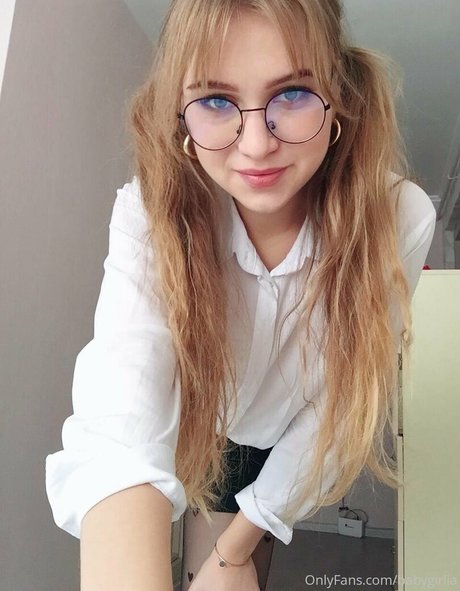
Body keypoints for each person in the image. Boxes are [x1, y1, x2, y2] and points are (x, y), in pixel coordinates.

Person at [45, 1, 437, 590]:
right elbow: (122, 410)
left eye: (293, 93)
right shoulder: (151, 212)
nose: (255, 145)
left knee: (237, 568)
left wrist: (232, 553)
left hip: (291, 440)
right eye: (214, 101)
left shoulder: (398, 217)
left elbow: (339, 402)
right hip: (197, 428)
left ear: (338, 98)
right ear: (180, 112)